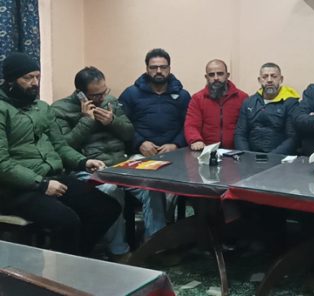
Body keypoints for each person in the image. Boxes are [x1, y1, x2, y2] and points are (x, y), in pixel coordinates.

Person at [0, 52, 120, 255]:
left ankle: (76, 259)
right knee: (67, 221)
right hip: (15, 189)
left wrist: (83, 162)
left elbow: (60, 146)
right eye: (28, 78)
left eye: (37, 77)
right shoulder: (3, 110)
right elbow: (3, 164)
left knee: (107, 208)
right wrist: (41, 184)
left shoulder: (42, 108)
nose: (34, 83)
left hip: (52, 177)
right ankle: (58, 278)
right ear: (10, 80)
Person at [52, 66, 166, 259]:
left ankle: (155, 245)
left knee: (153, 182)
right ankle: (118, 250)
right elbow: (63, 147)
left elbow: (129, 133)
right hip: (90, 167)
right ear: (81, 94)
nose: (101, 98)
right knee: (111, 191)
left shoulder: (111, 101)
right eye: (95, 95)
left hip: (121, 162)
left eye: (104, 92)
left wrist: (113, 121)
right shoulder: (60, 110)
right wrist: (86, 121)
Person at [119, 48, 191, 156]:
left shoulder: (183, 96)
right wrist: (139, 143)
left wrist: (176, 145)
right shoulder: (131, 93)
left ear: (169, 68)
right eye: (153, 67)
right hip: (139, 154)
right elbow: (121, 125)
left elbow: (189, 124)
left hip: (175, 154)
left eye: (163, 67)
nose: (158, 71)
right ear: (147, 69)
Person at [234, 62, 299, 154]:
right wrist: (246, 155)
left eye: (274, 76)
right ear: (259, 80)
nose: (269, 80)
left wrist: (272, 157)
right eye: (265, 77)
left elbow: (293, 137)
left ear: (281, 79)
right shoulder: (249, 102)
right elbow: (240, 134)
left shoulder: (290, 103)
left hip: (280, 159)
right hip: (251, 157)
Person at [185, 59, 248, 150]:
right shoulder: (197, 99)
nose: (216, 78)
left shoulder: (242, 98)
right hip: (205, 152)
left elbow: (246, 128)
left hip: (235, 151)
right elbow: (191, 125)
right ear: (206, 77)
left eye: (220, 74)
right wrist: (195, 140)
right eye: (211, 75)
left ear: (227, 75)